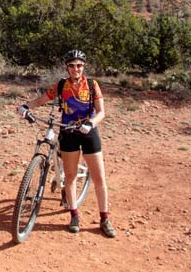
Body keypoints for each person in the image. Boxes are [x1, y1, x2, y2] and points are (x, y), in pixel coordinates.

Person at [17, 49, 117, 237]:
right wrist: (25, 106)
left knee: (99, 178)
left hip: (88, 132)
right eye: (71, 65)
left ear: (83, 67)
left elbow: (101, 111)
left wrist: (91, 123)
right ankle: (74, 214)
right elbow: (42, 99)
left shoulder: (92, 85)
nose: (75, 69)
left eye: (79, 65)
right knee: (69, 176)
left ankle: (104, 218)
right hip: (68, 131)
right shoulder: (61, 85)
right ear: (67, 67)